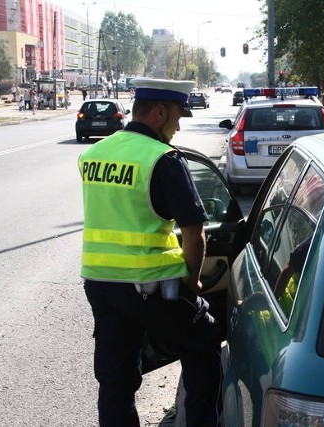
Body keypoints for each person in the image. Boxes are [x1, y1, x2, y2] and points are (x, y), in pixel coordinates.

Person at [78, 78, 220, 427]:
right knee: (203, 344)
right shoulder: (163, 159)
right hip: (153, 286)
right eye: (177, 117)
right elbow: (195, 233)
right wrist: (194, 281)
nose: (178, 125)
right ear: (159, 112)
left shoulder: (94, 154)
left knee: (116, 379)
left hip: (101, 283)